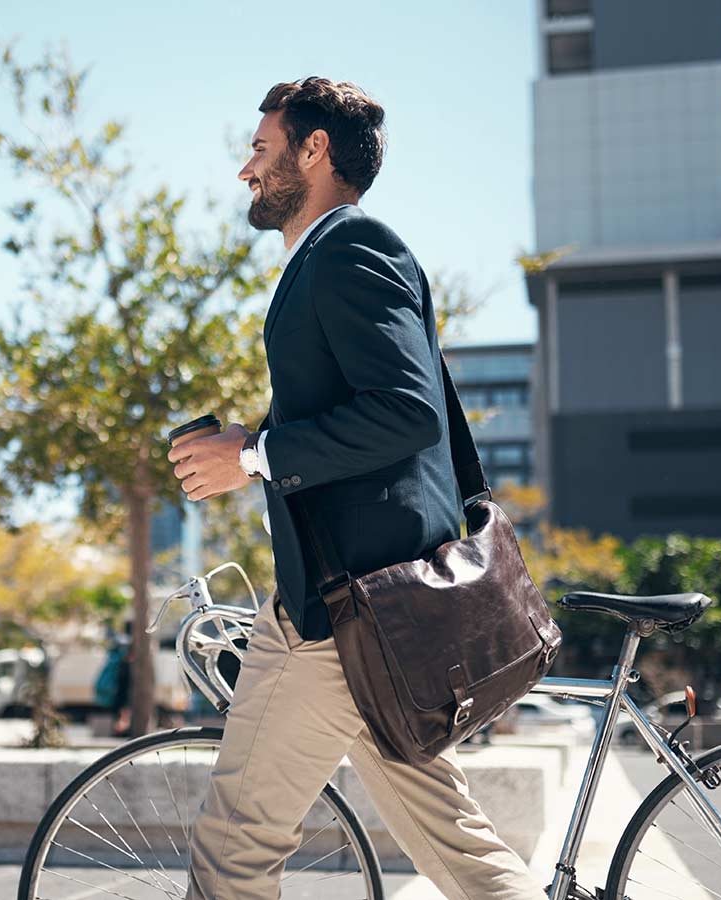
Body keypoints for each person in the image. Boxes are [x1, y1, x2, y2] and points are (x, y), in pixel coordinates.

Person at [168, 77, 541, 900]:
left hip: (343, 616)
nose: (245, 171)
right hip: (377, 612)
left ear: (315, 149)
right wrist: (249, 450)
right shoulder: (335, 255)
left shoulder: (349, 247)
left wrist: (257, 455)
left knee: (234, 848)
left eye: (261, 149)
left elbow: (406, 413)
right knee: (463, 854)